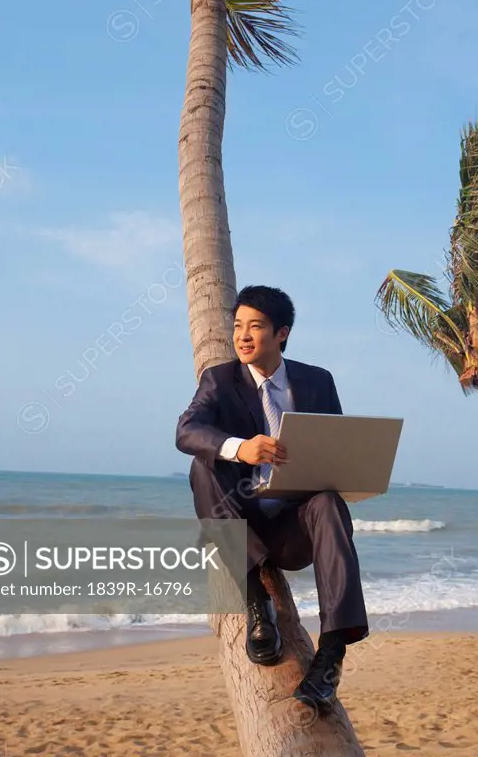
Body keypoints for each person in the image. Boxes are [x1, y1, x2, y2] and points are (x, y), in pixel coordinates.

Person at [176, 285, 368, 713]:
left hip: (293, 529)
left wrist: (350, 472)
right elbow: (186, 432)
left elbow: (334, 449)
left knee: (329, 502)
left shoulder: (317, 381)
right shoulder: (220, 380)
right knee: (202, 467)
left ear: (281, 333)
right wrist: (239, 447)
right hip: (242, 525)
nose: (243, 336)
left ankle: (333, 652)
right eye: (238, 326)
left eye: (255, 326)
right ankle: (255, 600)